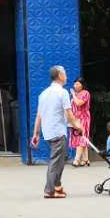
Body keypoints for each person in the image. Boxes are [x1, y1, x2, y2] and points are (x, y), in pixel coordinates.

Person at [30, 65, 73, 199]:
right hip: (58, 132)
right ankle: (49, 190)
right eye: (65, 73)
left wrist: (36, 134)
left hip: (48, 132)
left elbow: (39, 116)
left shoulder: (43, 94)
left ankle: (57, 186)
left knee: (61, 159)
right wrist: (78, 125)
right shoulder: (63, 92)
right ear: (60, 76)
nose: (66, 76)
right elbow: (69, 114)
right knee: (56, 161)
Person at [69, 77, 92, 167]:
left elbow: (79, 103)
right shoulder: (76, 94)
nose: (75, 85)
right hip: (76, 118)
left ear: (82, 85)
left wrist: (73, 95)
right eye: (75, 84)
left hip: (84, 118)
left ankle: (76, 159)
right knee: (81, 137)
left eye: (78, 84)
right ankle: (86, 159)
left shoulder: (85, 93)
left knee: (81, 137)